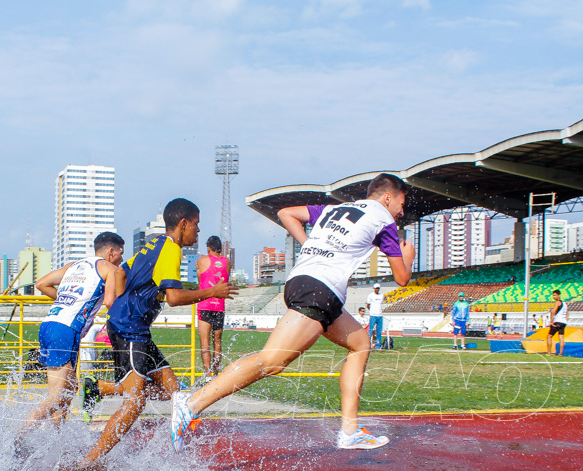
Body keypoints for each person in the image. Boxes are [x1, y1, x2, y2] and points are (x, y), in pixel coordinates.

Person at [171, 173, 414, 452]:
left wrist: (309, 247)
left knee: (360, 343)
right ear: (387, 197)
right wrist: (407, 256)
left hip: (309, 284)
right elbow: (402, 278)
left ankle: (350, 430)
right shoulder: (383, 218)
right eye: (401, 202)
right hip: (319, 289)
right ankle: (191, 403)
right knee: (272, 361)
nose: (402, 211)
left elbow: (286, 214)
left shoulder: (336, 209)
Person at [78, 198, 238, 470]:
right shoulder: (171, 249)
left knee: (174, 391)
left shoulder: (152, 243)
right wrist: (212, 292)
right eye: (196, 225)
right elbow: (175, 298)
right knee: (135, 402)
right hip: (130, 328)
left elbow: (122, 273)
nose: (197, 232)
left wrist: (126, 300)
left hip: (132, 326)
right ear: (183, 223)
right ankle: (88, 462)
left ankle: (98, 388)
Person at [20, 232, 124, 433]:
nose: (121, 258)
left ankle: (57, 440)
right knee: (58, 396)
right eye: (121, 252)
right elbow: (111, 301)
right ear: (111, 251)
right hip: (66, 329)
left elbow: (41, 284)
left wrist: (65, 300)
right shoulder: (109, 269)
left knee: (66, 391)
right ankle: (20, 433)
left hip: (50, 324)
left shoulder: (73, 266)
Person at [195, 235, 231, 378]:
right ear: (220, 248)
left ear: (208, 248)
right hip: (219, 305)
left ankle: (208, 375)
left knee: (205, 344)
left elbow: (200, 281)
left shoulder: (202, 260)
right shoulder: (227, 262)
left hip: (205, 304)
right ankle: (216, 373)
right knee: (217, 343)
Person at [547, 289, 568, 356]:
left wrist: (551, 321)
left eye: (555, 295)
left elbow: (553, 311)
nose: (554, 297)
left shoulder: (557, 302)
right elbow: (567, 313)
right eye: (553, 295)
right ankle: (560, 353)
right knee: (561, 337)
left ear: (559, 295)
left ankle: (549, 353)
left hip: (557, 321)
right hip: (563, 322)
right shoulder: (565, 304)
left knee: (549, 336)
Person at [366, 283, 384, 349]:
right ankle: (367, 345)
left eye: (378, 288)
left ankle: (378, 346)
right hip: (373, 315)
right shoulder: (370, 295)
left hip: (380, 315)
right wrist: (372, 311)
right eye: (376, 288)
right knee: (370, 331)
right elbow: (368, 305)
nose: (377, 289)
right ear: (374, 288)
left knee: (379, 331)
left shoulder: (381, 295)